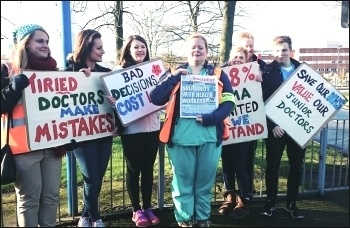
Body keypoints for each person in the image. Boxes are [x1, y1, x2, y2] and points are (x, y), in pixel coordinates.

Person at [150, 33, 235, 227]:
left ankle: (203, 218)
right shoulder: (173, 72)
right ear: (187, 51)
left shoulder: (219, 74)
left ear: (206, 51)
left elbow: (230, 101)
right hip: (181, 138)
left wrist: (212, 118)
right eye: (193, 47)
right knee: (182, 183)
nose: (197, 50)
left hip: (209, 138)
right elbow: (155, 98)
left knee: (205, 183)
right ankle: (185, 219)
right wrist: (173, 78)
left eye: (201, 47)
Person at [1, 24, 62, 227]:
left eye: (47, 41)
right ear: (25, 44)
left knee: (51, 197)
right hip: (23, 149)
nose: (45, 45)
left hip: (53, 146)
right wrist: (12, 89)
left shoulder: (54, 71)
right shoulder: (7, 70)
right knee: (29, 201)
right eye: (40, 41)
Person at [105, 35, 161, 227]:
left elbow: (164, 98)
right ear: (128, 50)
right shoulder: (119, 73)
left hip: (153, 128)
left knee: (147, 169)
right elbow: (113, 99)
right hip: (132, 130)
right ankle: (136, 209)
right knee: (133, 169)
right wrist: (114, 102)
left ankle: (147, 207)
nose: (140, 50)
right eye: (136, 47)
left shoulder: (154, 71)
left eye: (143, 47)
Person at [65, 29, 113, 227]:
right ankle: (96, 218)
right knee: (91, 178)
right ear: (86, 47)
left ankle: (85, 215)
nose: (103, 51)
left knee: (97, 178)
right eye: (99, 48)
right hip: (81, 135)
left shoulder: (105, 73)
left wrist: (115, 102)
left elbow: (114, 104)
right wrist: (77, 80)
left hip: (104, 132)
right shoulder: (68, 72)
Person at [260, 35, 305, 219]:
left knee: (296, 167)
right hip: (275, 130)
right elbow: (262, 102)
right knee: (272, 167)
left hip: (297, 130)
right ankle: (270, 202)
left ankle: (291, 203)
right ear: (273, 52)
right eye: (277, 51)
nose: (281, 54)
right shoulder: (267, 72)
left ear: (291, 51)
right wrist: (272, 126)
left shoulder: (303, 71)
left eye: (284, 50)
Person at [218, 46, 263, 219]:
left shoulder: (253, 74)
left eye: (241, 57)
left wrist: (260, 79)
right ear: (230, 58)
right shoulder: (220, 74)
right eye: (235, 56)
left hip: (244, 130)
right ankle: (230, 197)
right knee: (227, 166)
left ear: (246, 60)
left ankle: (244, 199)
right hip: (226, 128)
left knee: (240, 166)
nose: (238, 59)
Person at [235, 31, 267, 197]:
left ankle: (246, 193)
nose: (249, 49)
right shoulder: (229, 65)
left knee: (248, 158)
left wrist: (262, 79)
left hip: (251, 121)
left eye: (251, 46)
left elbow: (267, 90)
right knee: (230, 161)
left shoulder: (261, 65)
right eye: (245, 46)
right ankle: (231, 193)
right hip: (232, 122)